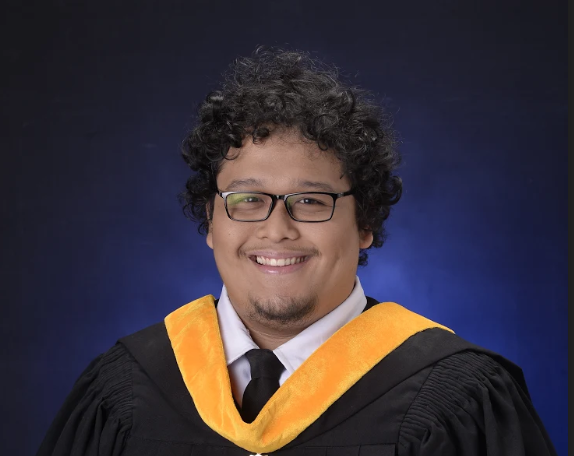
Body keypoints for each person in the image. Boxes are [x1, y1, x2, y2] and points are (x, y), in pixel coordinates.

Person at [37, 47, 557, 456]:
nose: (277, 229)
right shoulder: (125, 390)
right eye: (247, 199)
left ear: (365, 223)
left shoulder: (457, 398)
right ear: (211, 221)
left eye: (310, 200)